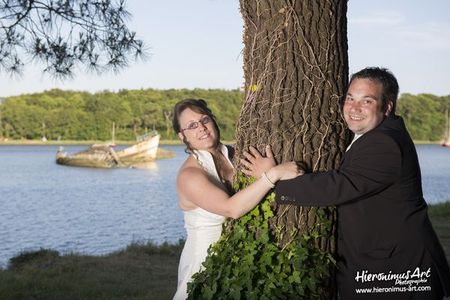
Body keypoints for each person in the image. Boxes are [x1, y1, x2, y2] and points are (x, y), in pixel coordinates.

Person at [245, 67, 450, 299]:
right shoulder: (376, 133)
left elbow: (339, 185)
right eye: (350, 98)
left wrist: (271, 179)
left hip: (398, 268)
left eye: (367, 101)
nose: (354, 108)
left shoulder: (384, 142)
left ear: (388, 107)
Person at [171, 98, 299, 300]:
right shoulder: (189, 175)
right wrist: (273, 174)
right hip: (204, 263)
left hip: (236, 257)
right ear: (182, 136)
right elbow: (231, 208)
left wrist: (261, 173)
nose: (202, 128)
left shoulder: (232, 154)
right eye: (192, 126)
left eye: (205, 119)